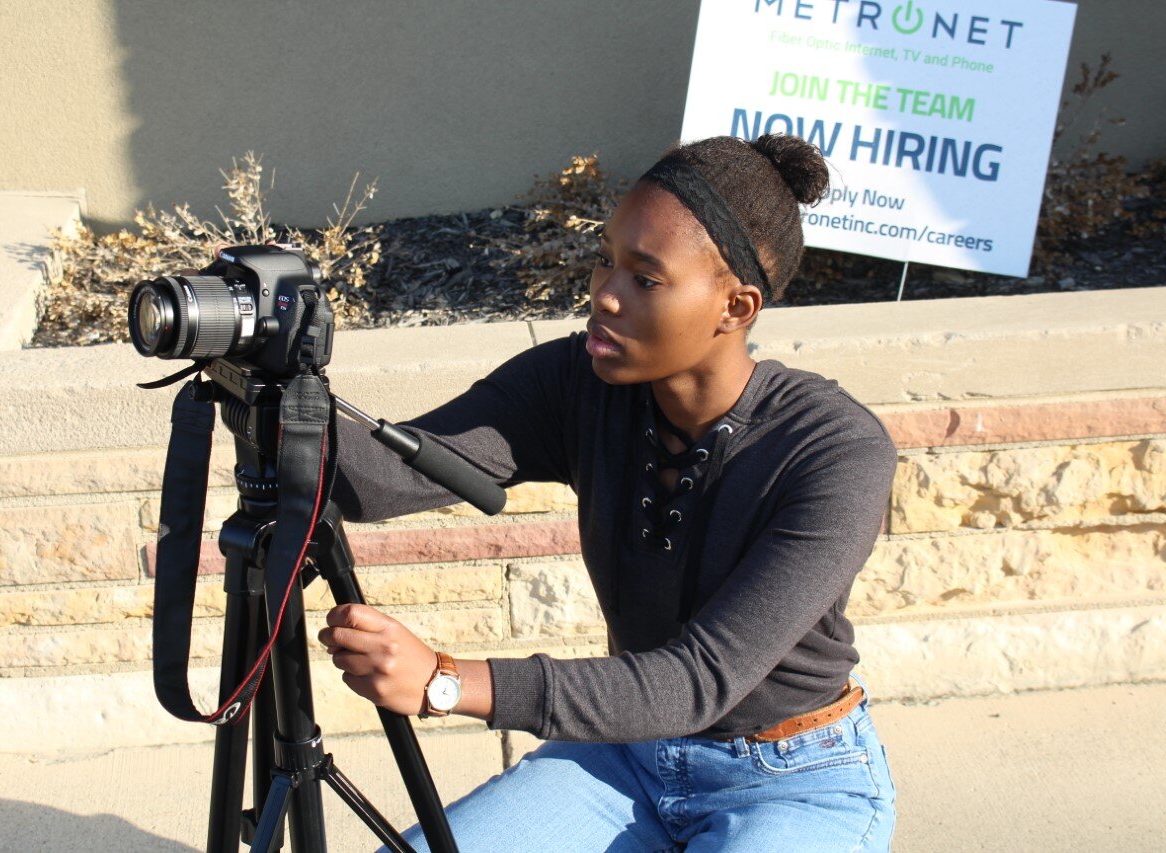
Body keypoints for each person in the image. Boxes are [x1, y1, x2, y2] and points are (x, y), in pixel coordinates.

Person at [319, 134, 898, 852]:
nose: (604, 293)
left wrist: (447, 681)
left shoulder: (833, 452)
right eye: (605, 258)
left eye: (645, 279)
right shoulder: (579, 384)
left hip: (792, 782)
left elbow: (699, 680)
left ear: (735, 306)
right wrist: (267, 381)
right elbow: (388, 474)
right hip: (627, 758)